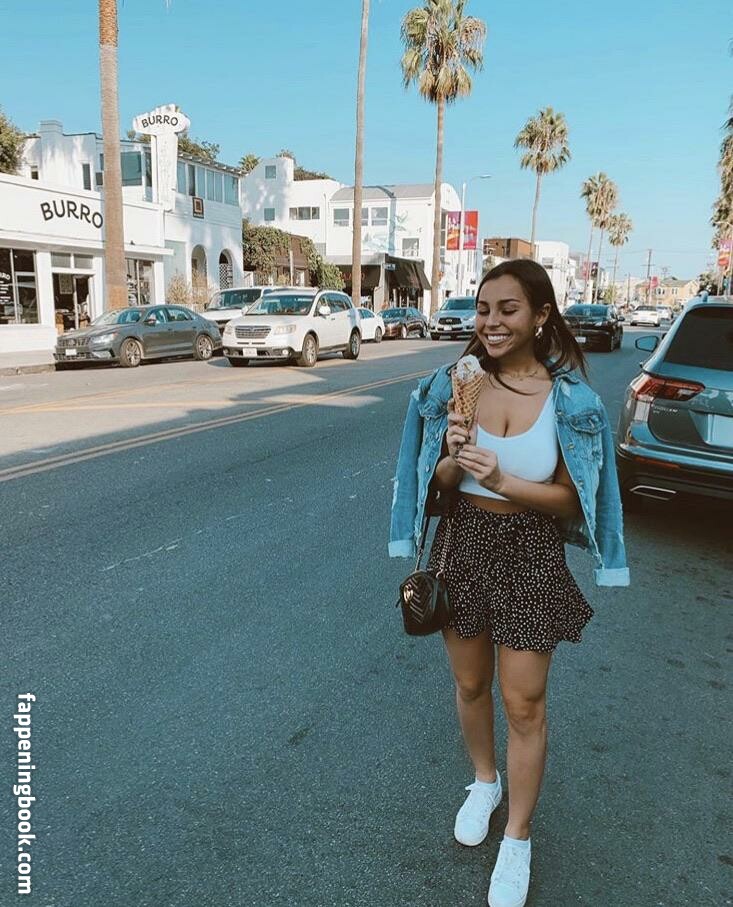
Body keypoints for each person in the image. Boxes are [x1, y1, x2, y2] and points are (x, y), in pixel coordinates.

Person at [389, 258, 629, 907]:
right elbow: (436, 488)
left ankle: (517, 836)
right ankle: (484, 780)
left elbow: (571, 502)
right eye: (483, 308)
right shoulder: (452, 385)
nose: (490, 322)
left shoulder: (571, 402)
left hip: (529, 550)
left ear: (541, 315)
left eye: (507, 309)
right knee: (470, 683)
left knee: (523, 703)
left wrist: (503, 480)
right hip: (462, 542)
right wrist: (451, 458)